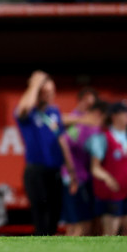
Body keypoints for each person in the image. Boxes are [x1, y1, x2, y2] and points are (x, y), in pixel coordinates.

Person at [14, 70, 78, 236]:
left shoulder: (54, 112)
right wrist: (35, 84)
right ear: (39, 93)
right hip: (35, 170)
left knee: (55, 210)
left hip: (55, 170)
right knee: (41, 211)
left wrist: (71, 171)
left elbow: (62, 141)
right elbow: (24, 108)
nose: (51, 95)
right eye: (46, 92)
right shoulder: (29, 112)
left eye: (52, 91)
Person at [61, 100, 107, 236]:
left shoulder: (78, 125)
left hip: (73, 178)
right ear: (99, 114)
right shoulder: (91, 130)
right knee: (82, 224)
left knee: (76, 225)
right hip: (76, 179)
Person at [90, 101, 127, 235]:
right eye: (125, 113)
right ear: (115, 116)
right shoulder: (103, 137)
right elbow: (95, 167)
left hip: (125, 190)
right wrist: (108, 178)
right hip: (111, 193)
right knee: (111, 232)